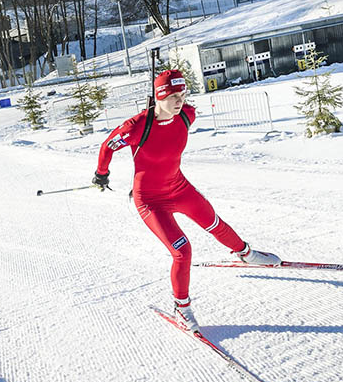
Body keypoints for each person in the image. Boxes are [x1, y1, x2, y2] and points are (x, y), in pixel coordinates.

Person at [92, 69, 280, 332]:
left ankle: (246, 254)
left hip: (179, 188)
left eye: (182, 95)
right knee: (182, 251)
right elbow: (106, 146)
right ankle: (182, 308)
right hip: (150, 201)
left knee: (214, 223)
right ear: (159, 96)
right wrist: (102, 174)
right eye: (172, 96)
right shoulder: (136, 127)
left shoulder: (187, 115)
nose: (179, 101)